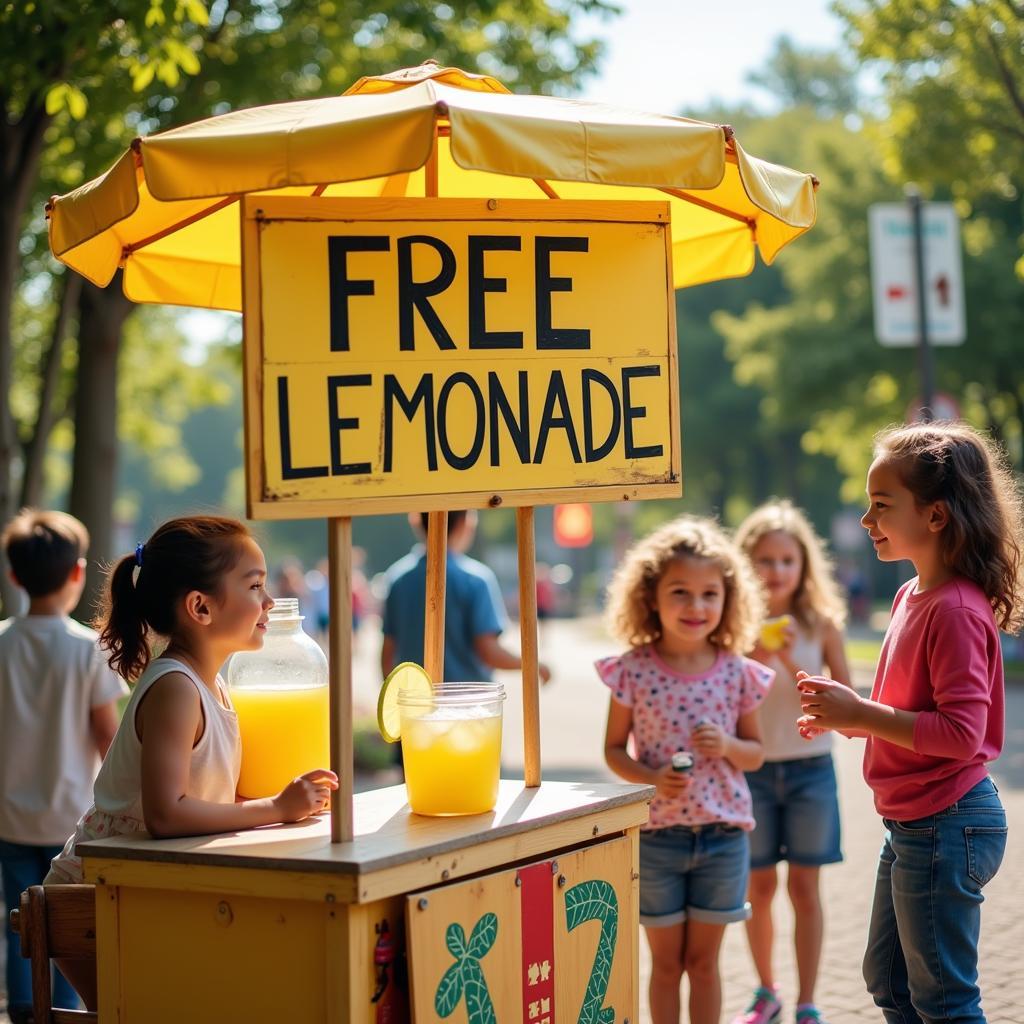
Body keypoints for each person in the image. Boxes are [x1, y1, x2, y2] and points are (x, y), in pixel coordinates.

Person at [45, 515, 338, 1008]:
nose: (269, 603)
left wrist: (287, 801)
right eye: (255, 586)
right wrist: (275, 808)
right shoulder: (176, 689)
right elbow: (166, 814)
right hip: (91, 897)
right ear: (200, 607)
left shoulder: (212, 685)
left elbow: (203, 796)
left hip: (138, 887)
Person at [797, 422, 1022, 1024]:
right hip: (914, 823)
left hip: (947, 824)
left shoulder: (953, 609)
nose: (868, 521)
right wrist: (849, 716)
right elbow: (909, 706)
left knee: (945, 1002)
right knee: (891, 983)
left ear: (936, 516)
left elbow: (960, 736)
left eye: (881, 505)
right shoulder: (909, 596)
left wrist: (862, 713)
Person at [597, 515, 772, 1024]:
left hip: (723, 838)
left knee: (705, 963)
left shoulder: (739, 671)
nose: (696, 607)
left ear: (728, 599)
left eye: (709, 594)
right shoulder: (631, 669)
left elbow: (756, 752)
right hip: (656, 840)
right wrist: (650, 778)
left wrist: (728, 745)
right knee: (667, 964)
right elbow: (612, 750)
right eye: (680, 592)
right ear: (650, 596)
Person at [0, 510, 127, 1022]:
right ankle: (64, 1011)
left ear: (13, 576)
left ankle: (28, 1012)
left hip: (8, 817)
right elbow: (106, 738)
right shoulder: (87, 650)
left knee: (20, 926)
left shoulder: (2, 643)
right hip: (69, 820)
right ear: (78, 573)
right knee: (72, 928)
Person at [731, 501, 853, 1024]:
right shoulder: (733, 624)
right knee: (759, 887)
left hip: (810, 770)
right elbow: (726, 695)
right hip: (753, 771)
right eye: (763, 559)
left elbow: (842, 699)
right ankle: (766, 990)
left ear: (803, 566)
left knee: (805, 887)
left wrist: (787, 656)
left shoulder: (821, 624)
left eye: (786, 560)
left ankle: (806, 1001)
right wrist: (755, 652)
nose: (775, 570)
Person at [380, 511, 550, 683]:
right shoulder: (475, 579)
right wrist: (533, 664)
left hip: (416, 700)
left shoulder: (397, 578)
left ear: (415, 521)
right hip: (466, 700)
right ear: (465, 522)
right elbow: (488, 651)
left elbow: (388, 652)